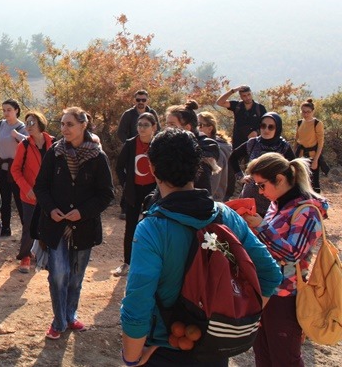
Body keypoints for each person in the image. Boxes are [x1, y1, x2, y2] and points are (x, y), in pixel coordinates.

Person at [120, 129, 281, 367]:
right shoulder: (225, 215)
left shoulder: (152, 228)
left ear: (152, 168)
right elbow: (270, 274)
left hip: (166, 348)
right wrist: (234, 320)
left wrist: (132, 358)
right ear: (198, 166)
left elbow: (138, 302)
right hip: (213, 352)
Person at [34, 106, 114, 340]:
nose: (64, 129)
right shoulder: (55, 153)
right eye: (62, 124)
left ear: (83, 125)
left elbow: (106, 194)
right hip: (56, 225)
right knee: (58, 275)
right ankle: (59, 321)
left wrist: (83, 212)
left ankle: (70, 315)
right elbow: (41, 186)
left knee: (76, 278)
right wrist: (51, 209)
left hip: (84, 227)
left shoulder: (98, 156)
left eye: (69, 124)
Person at [244, 152, 329, 367]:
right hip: (264, 290)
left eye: (262, 185)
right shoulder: (278, 204)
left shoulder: (307, 210)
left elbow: (292, 254)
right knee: (263, 355)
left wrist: (261, 226)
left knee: (285, 359)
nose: (260, 192)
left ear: (280, 179)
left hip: (286, 295)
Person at [113, 112, 158, 277]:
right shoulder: (131, 144)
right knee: (130, 226)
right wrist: (126, 184)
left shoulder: (158, 144)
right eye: (139, 125)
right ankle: (127, 262)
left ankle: (147, 263)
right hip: (134, 190)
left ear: (154, 127)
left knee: (151, 227)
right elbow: (119, 167)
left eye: (146, 125)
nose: (142, 128)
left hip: (153, 191)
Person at [10, 110, 53, 273]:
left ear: (41, 123)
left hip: (49, 195)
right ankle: (25, 256)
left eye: (32, 122)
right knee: (29, 227)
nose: (28, 126)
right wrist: (27, 189)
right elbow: (15, 170)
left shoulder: (53, 143)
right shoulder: (24, 145)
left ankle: (45, 256)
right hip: (29, 195)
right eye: (26, 122)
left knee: (49, 225)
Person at [229, 112, 295, 217]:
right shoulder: (253, 143)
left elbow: (293, 170)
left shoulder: (284, 147)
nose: (266, 130)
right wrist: (240, 177)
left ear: (277, 129)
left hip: (272, 201)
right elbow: (233, 158)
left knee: (267, 227)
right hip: (250, 196)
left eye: (271, 127)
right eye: (263, 126)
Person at [0, 99, 27, 237]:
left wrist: (17, 135)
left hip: (18, 170)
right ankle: (5, 228)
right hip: (2, 169)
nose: (6, 113)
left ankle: (27, 229)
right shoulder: (0, 125)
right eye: (4, 110)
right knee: (4, 199)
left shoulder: (22, 127)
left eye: (9, 110)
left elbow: (30, 142)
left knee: (20, 199)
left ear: (16, 110)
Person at [164, 101, 220, 191]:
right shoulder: (167, 144)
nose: (167, 129)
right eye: (167, 124)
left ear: (187, 128)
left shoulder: (207, 145)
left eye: (172, 125)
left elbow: (200, 181)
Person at [197, 112, 233, 201]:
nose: (196, 127)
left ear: (210, 129)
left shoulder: (214, 151)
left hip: (211, 201)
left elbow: (213, 181)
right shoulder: (208, 147)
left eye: (199, 125)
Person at [294, 98, 325, 192]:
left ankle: (316, 200)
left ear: (312, 111)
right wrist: (294, 155)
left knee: (314, 182)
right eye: (304, 112)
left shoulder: (317, 123)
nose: (306, 114)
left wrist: (315, 160)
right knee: (301, 181)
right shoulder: (300, 123)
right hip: (301, 155)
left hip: (313, 155)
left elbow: (320, 143)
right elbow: (296, 140)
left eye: (308, 112)